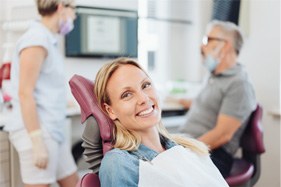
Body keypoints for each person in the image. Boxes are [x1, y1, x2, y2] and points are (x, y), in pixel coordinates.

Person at [93, 57, 229, 187]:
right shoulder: (119, 164)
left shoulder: (189, 148)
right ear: (110, 111)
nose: (144, 98)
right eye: (127, 94)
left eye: (146, 85)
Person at [6, 0, 79, 186]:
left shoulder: (48, 39)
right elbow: (24, 93)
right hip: (38, 130)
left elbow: (44, 87)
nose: (75, 16)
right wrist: (36, 141)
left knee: (74, 181)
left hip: (53, 128)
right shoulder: (36, 40)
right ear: (61, 7)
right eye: (74, 10)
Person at [177, 20, 256, 177]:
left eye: (207, 40)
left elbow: (222, 135)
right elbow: (209, 105)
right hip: (193, 145)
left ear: (225, 46)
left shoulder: (239, 84)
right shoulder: (214, 76)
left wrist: (184, 151)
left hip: (214, 154)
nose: (202, 47)